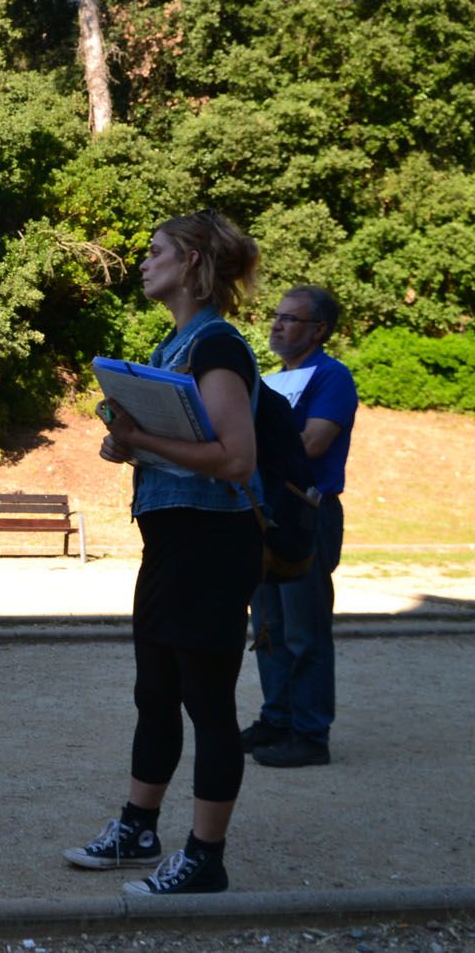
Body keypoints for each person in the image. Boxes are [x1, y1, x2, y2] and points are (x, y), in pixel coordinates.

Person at [65, 209, 263, 896]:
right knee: (155, 693)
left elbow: (236, 459)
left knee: (208, 702)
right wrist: (128, 441)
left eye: (156, 252)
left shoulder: (218, 348)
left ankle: (206, 860)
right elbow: (182, 452)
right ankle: (138, 827)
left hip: (213, 543)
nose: (144, 262)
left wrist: (143, 441)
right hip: (172, 542)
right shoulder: (167, 350)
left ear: (192, 263)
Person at [242, 286, 357, 768]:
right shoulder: (268, 381)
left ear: (318, 330)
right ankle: (278, 718)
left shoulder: (332, 377)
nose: (277, 324)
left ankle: (311, 734)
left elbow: (311, 444)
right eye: (277, 316)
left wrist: (245, 440)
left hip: (307, 514)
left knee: (305, 630)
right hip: (265, 512)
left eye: (291, 319)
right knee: (268, 625)